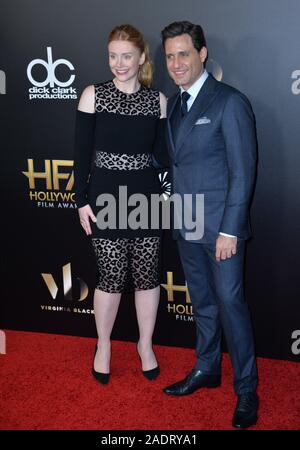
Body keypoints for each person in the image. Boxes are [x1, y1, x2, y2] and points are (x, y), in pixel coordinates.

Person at [161, 21, 259, 428]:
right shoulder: (173, 104)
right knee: (202, 304)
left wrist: (230, 230)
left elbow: (243, 171)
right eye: (169, 55)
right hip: (186, 224)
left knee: (231, 306)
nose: (176, 62)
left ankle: (247, 389)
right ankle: (206, 368)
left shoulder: (229, 102)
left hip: (221, 230)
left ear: (203, 54)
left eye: (184, 53)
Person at [73, 24, 167, 385]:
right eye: (113, 55)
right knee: (110, 276)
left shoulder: (156, 101)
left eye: (126, 55)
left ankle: (145, 346)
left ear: (141, 57)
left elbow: (162, 156)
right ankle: (104, 346)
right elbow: (81, 155)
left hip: (146, 196)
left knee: (147, 275)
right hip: (105, 195)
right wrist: (80, 201)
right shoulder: (93, 95)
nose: (119, 63)